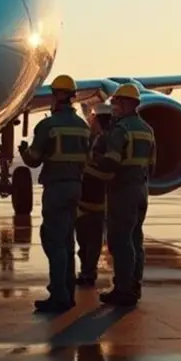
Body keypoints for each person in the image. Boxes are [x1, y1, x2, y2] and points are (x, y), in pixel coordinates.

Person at [18, 74, 91, 312]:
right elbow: (88, 158)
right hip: (76, 186)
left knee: (54, 241)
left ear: (59, 95)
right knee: (68, 240)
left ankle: (59, 295)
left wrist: (24, 151)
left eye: (53, 94)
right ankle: (68, 293)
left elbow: (34, 160)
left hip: (57, 187)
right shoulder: (83, 126)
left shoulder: (48, 126)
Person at [89, 82, 154, 307]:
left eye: (116, 102)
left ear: (126, 104)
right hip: (141, 190)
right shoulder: (147, 130)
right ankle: (134, 286)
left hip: (122, 191)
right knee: (136, 239)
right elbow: (152, 165)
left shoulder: (121, 130)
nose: (114, 107)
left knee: (120, 241)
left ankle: (123, 289)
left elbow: (112, 162)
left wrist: (93, 162)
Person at [74, 102, 113, 286]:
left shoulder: (102, 141)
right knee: (91, 238)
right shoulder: (100, 139)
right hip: (96, 196)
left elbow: (101, 168)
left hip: (92, 195)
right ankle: (88, 271)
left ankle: (88, 271)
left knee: (87, 237)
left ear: (96, 119)